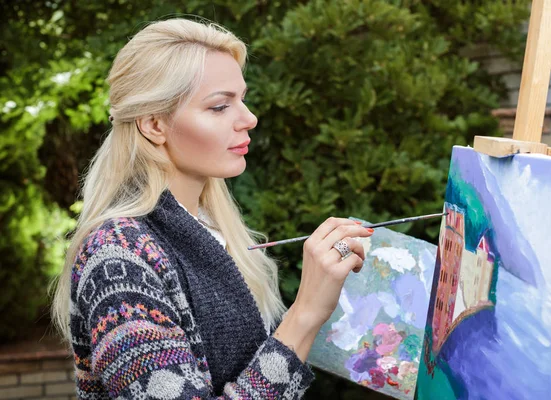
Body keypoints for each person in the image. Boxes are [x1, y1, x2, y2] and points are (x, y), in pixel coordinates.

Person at [51, 18, 373, 399]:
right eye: (220, 106)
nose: (249, 118)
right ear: (154, 124)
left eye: (241, 98)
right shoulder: (118, 256)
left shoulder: (210, 230)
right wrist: (305, 314)